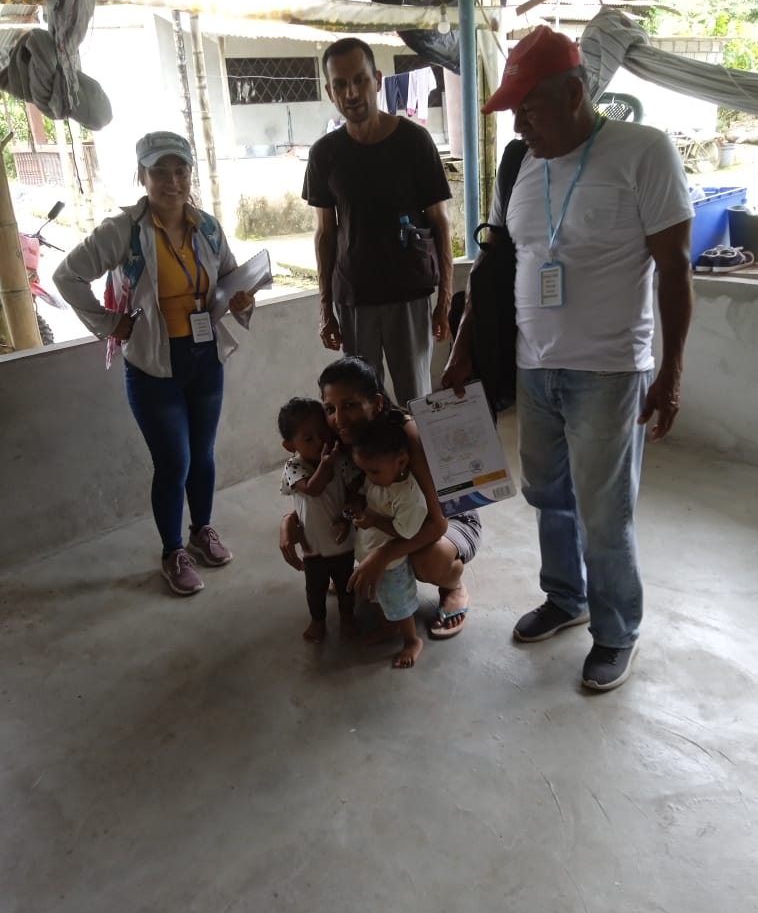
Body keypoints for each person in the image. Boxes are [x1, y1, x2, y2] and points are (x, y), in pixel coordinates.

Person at [444, 25, 694, 692]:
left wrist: (670, 373)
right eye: (514, 111)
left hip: (610, 369)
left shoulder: (644, 151)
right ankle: (566, 596)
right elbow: (494, 267)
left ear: (575, 93)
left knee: (604, 512)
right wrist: (464, 349)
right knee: (548, 494)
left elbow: (675, 270)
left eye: (530, 108)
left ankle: (616, 631)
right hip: (534, 366)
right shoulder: (521, 164)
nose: (519, 124)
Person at [53, 130, 253, 597]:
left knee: (203, 455)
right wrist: (109, 323)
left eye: (180, 171)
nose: (172, 181)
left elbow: (230, 278)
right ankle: (172, 551)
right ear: (141, 176)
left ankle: (202, 531)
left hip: (204, 359)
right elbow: (67, 275)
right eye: (160, 172)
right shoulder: (123, 231)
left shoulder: (207, 227)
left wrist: (241, 298)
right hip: (151, 365)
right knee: (174, 461)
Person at [279, 356, 480, 639]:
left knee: (429, 561)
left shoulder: (405, 434)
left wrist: (382, 556)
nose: (339, 419)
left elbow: (438, 523)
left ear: (376, 403)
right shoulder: (336, 437)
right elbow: (322, 495)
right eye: (330, 408)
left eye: (350, 405)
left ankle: (452, 585)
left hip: (448, 515)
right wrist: (290, 520)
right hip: (387, 515)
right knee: (339, 525)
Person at [302, 36, 454, 408]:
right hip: (354, 299)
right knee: (362, 406)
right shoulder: (325, 154)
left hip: (409, 295)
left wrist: (445, 301)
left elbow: (440, 223)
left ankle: (418, 451)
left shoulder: (414, 142)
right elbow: (325, 235)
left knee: (417, 402)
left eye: (360, 80)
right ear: (330, 92)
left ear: (378, 80)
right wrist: (325, 310)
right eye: (340, 84)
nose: (351, 93)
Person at [349, 416, 428, 669]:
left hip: (393, 563)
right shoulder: (379, 478)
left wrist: (373, 519)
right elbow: (366, 493)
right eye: (365, 471)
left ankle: (412, 640)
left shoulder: (409, 496)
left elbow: (406, 532)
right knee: (380, 597)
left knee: (399, 603)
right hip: (371, 551)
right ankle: (388, 626)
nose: (368, 477)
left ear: (401, 461)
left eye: (373, 471)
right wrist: (357, 506)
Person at [278, 396, 357, 643]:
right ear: (290, 446)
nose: (320, 442)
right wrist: (325, 465)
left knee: (346, 586)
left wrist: (347, 518)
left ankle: (347, 617)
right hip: (313, 547)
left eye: (323, 434)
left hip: (343, 543)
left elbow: (352, 492)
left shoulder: (341, 461)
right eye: (308, 438)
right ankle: (318, 621)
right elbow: (313, 489)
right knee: (315, 589)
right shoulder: (294, 467)